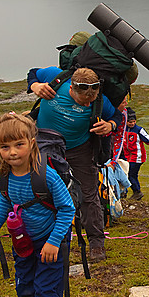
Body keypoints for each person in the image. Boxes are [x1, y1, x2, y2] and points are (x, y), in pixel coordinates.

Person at [0, 113, 75, 297]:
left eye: (18, 144)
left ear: (32, 142)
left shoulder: (46, 175)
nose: (12, 152)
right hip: (23, 241)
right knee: (24, 286)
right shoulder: (2, 174)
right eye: (5, 146)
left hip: (50, 240)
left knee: (46, 288)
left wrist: (54, 242)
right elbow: (6, 199)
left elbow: (68, 209)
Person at [28, 66, 122, 263]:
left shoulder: (99, 101)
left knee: (88, 195)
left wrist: (109, 125)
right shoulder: (56, 77)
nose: (88, 104)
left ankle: (96, 243)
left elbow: (117, 116)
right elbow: (33, 72)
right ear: (71, 88)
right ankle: (41, 238)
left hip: (79, 149)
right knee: (40, 191)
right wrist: (35, 85)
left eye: (91, 100)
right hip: (44, 145)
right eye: (83, 100)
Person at [120, 107, 149, 200]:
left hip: (137, 157)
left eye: (133, 121)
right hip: (126, 156)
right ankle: (124, 192)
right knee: (123, 173)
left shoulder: (139, 130)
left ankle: (137, 192)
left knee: (131, 175)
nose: (132, 123)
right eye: (130, 122)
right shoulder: (123, 129)